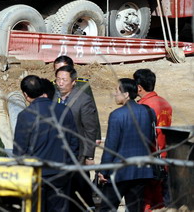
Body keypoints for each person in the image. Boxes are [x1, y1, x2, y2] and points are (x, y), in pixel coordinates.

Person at [14, 75, 79, 212]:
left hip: (36, 176)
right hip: (61, 173)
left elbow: (19, 151)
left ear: (25, 95)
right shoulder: (64, 110)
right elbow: (74, 143)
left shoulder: (26, 115)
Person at [98, 78, 154, 212]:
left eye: (117, 90)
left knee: (107, 207)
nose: (114, 94)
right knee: (134, 208)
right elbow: (151, 139)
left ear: (126, 94)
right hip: (141, 170)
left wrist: (103, 171)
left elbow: (111, 146)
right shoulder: (149, 112)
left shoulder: (117, 115)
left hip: (120, 171)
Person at [55, 65, 101, 211]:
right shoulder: (53, 96)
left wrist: (89, 155)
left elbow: (90, 129)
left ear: (74, 82)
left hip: (78, 152)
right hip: (57, 151)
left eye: (64, 80)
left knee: (79, 185)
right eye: (58, 79)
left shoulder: (83, 100)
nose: (60, 83)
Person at [134, 68, 173, 209]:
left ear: (138, 87)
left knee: (146, 200)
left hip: (147, 159)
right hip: (164, 157)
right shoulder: (165, 103)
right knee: (160, 200)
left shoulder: (142, 107)